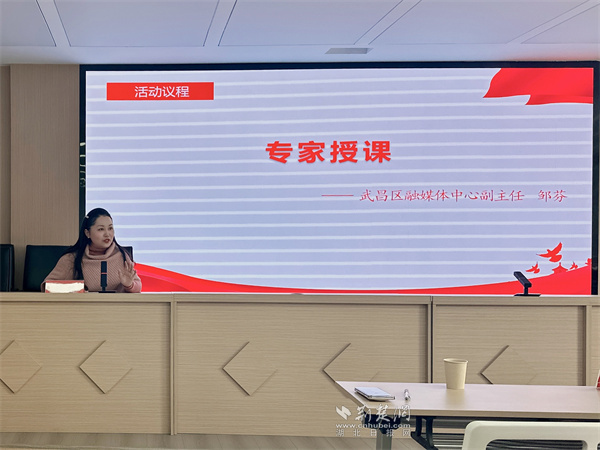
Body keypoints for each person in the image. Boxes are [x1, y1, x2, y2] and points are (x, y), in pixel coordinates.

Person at [43, 208, 142, 293]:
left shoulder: (122, 256)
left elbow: (138, 286)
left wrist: (129, 285)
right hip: (82, 308)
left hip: (116, 308)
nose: (107, 234)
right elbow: (48, 286)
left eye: (110, 228)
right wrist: (76, 289)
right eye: (101, 229)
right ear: (87, 233)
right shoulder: (72, 258)